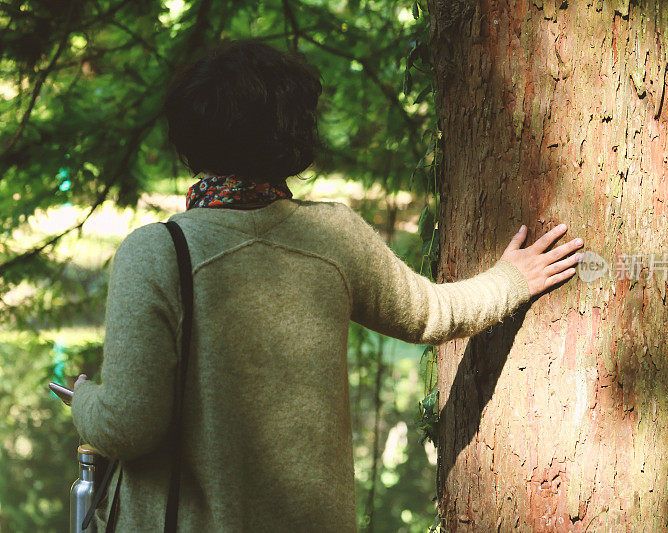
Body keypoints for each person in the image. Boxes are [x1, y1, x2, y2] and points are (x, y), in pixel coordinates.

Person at [70, 38, 584, 531]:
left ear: (189, 135)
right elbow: (433, 313)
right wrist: (512, 280)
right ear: (293, 137)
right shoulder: (333, 235)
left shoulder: (154, 252)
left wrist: (83, 398)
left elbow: (128, 428)